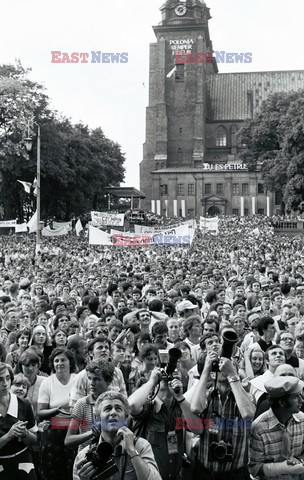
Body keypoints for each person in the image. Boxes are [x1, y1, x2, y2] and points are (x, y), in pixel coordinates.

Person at [190, 347, 256, 480]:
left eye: (227, 364)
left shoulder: (245, 396)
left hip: (236, 473)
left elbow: (248, 413)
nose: (222, 367)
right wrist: (206, 369)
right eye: (218, 364)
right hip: (206, 473)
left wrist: (232, 375)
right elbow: (196, 408)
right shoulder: (207, 394)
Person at [73, 391, 162, 480]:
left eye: (118, 408)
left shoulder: (140, 446)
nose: (113, 413)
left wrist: (132, 452)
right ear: (97, 419)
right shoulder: (83, 456)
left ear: (126, 419)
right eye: (107, 409)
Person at [249, 376, 304, 479]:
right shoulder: (259, 427)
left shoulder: (302, 420)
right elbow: (254, 468)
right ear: (282, 402)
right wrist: (285, 467)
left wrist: (299, 460)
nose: (301, 400)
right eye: (296, 397)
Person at [37, 347, 78, 480]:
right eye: (56, 361)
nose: (59, 363)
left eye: (63, 360)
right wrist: (56, 410)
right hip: (54, 429)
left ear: (70, 362)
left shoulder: (78, 379)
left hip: (74, 428)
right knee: (53, 471)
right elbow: (40, 412)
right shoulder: (47, 382)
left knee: (72, 469)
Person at [65, 360, 115, 452]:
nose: (91, 383)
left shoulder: (116, 403)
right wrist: (91, 433)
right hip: (85, 456)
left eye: (96, 379)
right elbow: (68, 440)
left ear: (108, 381)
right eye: (89, 378)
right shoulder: (82, 404)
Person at [0, 362, 38, 479]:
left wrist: (25, 433)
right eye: (0, 380)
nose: (5, 383)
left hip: (24, 462)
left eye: (7, 378)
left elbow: (35, 439)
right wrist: (9, 435)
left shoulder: (24, 404)